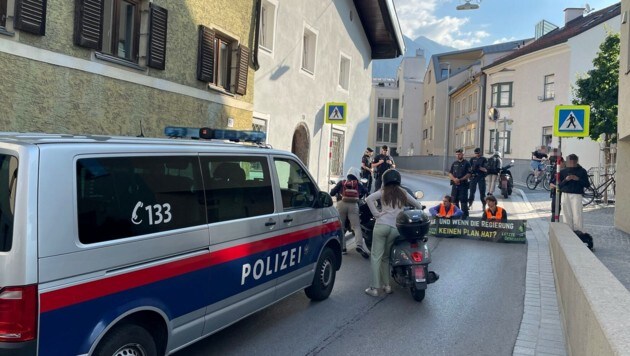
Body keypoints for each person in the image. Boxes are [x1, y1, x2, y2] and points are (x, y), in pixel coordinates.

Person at [364, 169, 422, 297]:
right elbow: (418, 205)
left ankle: (375, 288)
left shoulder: (383, 191)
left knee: (376, 257)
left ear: (385, 180)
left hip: (381, 225)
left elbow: (368, 199)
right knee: (386, 257)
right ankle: (387, 286)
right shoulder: (403, 192)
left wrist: (377, 214)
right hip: (395, 228)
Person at [330, 167, 369, 257]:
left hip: (341, 204)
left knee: (341, 227)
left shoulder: (342, 182)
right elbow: (366, 191)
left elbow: (332, 193)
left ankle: (343, 248)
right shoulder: (358, 184)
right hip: (353, 205)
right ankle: (359, 245)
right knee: (356, 226)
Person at [558, 154, 589, 231]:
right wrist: (566, 180)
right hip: (565, 194)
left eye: (573, 162)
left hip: (576, 194)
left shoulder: (582, 171)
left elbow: (587, 184)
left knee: (577, 214)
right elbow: (559, 185)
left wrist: (578, 179)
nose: (571, 164)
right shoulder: (563, 171)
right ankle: (568, 231)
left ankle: (579, 232)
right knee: (566, 214)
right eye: (570, 162)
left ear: (576, 161)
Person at [448, 148, 471, 219]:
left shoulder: (467, 163)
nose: (458, 156)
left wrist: (460, 179)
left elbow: (469, 174)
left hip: (463, 185)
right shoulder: (454, 163)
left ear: (462, 154)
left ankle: (465, 217)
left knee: (463, 202)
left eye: (459, 154)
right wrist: (454, 179)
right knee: (454, 201)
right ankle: (457, 216)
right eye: (457, 154)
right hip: (455, 185)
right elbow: (450, 173)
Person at [549, 156, 565, 222]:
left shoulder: (565, 171)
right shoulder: (555, 172)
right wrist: (557, 187)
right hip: (556, 193)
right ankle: (554, 225)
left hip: (564, 193)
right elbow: (550, 184)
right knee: (555, 210)